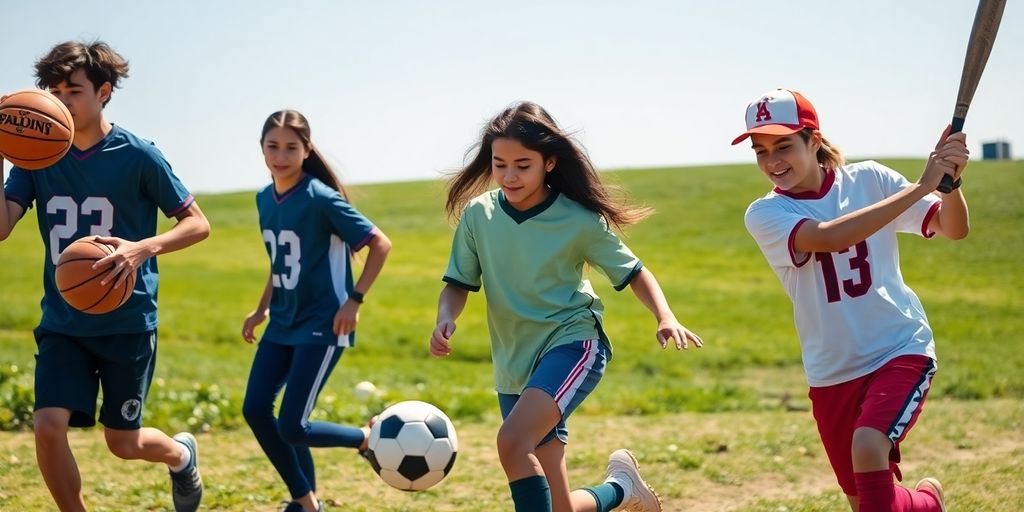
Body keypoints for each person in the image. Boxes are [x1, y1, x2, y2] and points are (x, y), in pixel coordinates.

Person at [430, 101, 703, 512]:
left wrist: (665, 316)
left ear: (550, 163)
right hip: (514, 361)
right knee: (559, 506)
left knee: (511, 441)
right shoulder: (478, 215)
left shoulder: (578, 220)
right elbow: (458, 284)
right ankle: (622, 490)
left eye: (523, 164)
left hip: (572, 343)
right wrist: (445, 318)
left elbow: (634, 272)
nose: (509, 175)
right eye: (500, 164)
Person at [0, 40, 210, 512]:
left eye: (73, 90)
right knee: (47, 426)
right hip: (63, 320)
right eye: (54, 91)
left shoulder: (138, 154)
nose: (62, 100)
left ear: (104, 92)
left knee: (122, 442)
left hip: (127, 320)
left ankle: (180, 454)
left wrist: (143, 248)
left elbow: (198, 223)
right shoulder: (35, 158)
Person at [736, 89, 969, 512]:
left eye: (784, 145)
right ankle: (927, 504)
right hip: (831, 371)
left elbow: (953, 228)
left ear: (813, 140)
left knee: (868, 444)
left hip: (898, 347)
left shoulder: (870, 180)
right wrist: (921, 186)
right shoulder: (765, 214)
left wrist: (949, 184)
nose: (772, 162)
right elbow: (829, 238)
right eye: (761, 151)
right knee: (865, 501)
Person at [241, 110, 392, 512]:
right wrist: (260, 311)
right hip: (282, 323)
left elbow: (380, 244)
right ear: (262, 149)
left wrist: (354, 301)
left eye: (292, 147)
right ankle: (306, 503)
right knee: (255, 409)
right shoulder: (263, 199)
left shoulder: (320, 198)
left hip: (324, 323)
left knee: (293, 425)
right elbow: (279, 264)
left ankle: (364, 439)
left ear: (307, 150)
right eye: (272, 146)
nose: (281, 155)